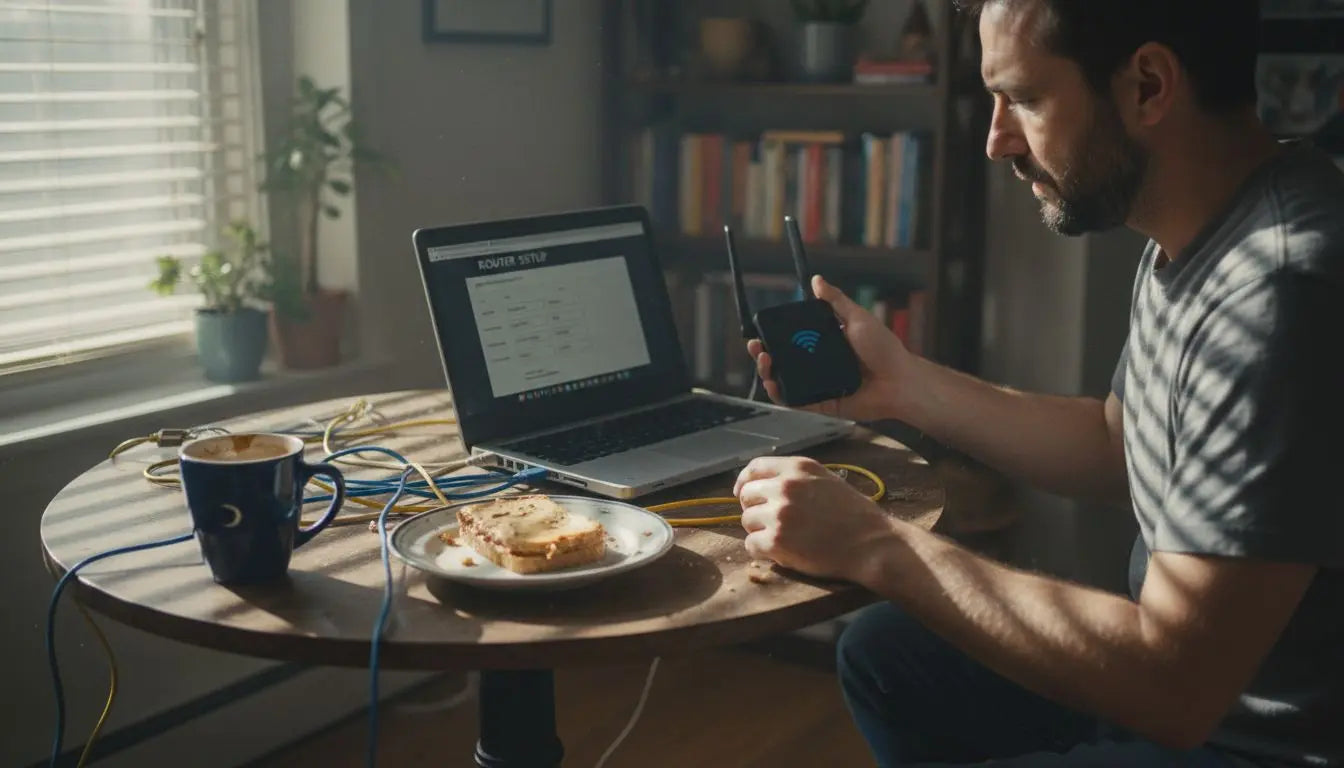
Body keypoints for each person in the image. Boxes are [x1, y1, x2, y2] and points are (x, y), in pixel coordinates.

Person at [732, 0, 1344, 765]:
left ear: (1149, 86)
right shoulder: (1202, 228)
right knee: (889, 652)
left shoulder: (1277, 292)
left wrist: (874, 545)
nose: (997, 140)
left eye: (1022, 98)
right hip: (1189, 699)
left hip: (1254, 741)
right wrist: (903, 384)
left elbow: (1177, 685)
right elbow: (1118, 442)